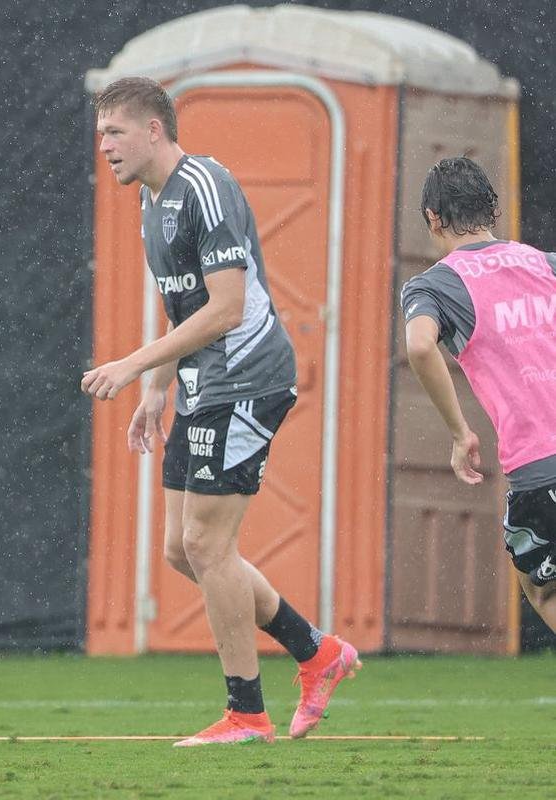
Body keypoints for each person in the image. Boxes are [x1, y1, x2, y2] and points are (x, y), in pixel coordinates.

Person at [82, 77, 359, 746]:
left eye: (115, 131)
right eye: (100, 134)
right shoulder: (151, 203)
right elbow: (185, 303)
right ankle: (318, 652)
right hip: (206, 384)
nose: (105, 146)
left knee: (209, 545)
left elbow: (228, 308)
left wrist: (135, 363)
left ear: (154, 130)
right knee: (184, 549)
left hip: (249, 377)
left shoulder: (204, 186)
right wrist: (158, 388)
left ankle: (246, 714)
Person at [401, 156, 556, 634]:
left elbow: (420, 344)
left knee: (543, 588)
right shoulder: (544, 263)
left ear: (431, 217)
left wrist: (458, 431)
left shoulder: (435, 286)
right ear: (489, 210)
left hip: (539, 463)